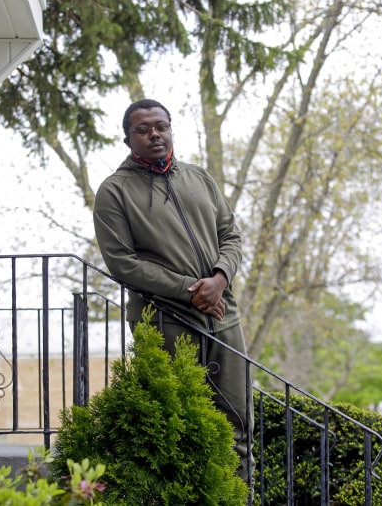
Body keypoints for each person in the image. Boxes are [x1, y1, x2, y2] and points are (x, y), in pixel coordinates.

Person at [93, 98, 254, 485]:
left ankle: (238, 496)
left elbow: (231, 236)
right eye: (143, 129)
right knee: (175, 427)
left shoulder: (199, 178)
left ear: (170, 128)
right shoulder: (115, 191)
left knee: (237, 425)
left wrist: (219, 279)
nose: (154, 134)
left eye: (161, 126)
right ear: (128, 137)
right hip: (165, 319)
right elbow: (123, 263)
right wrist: (190, 290)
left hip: (223, 315)